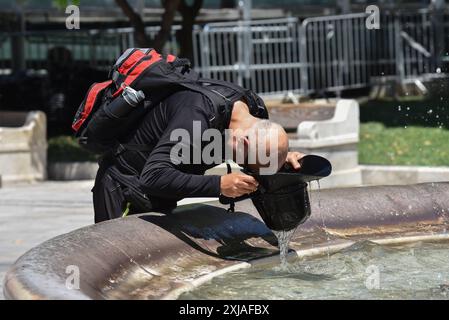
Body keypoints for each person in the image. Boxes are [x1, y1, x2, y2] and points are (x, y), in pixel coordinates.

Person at [92, 82, 305, 223]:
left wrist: (279, 156)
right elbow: (152, 176)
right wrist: (219, 185)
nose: (248, 170)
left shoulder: (255, 111)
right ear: (244, 141)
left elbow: (266, 141)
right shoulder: (195, 118)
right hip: (126, 185)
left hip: (164, 187)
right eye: (249, 165)